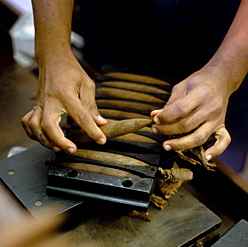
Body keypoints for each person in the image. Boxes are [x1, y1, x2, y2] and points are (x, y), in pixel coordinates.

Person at [21, 0, 248, 169]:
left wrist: (226, 73)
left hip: (225, 33)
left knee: (211, 153)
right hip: (116, 21)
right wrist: (52, 53)